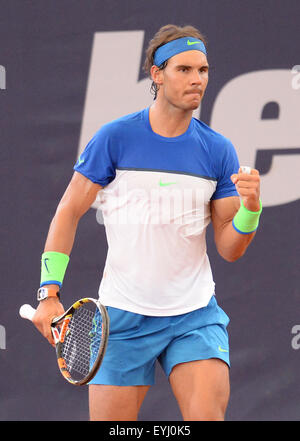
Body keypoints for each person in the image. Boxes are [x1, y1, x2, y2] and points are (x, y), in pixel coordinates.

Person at [32, 24, 262, 421]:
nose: (197, 80)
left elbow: (230, 248)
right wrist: (48, 292)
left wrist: (252, 208)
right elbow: (68, 210)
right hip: (121, 317)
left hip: (193, 316)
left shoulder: (218, 150)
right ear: (156, 74)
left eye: (203, 71)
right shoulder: (115, 138)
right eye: (184, 69)